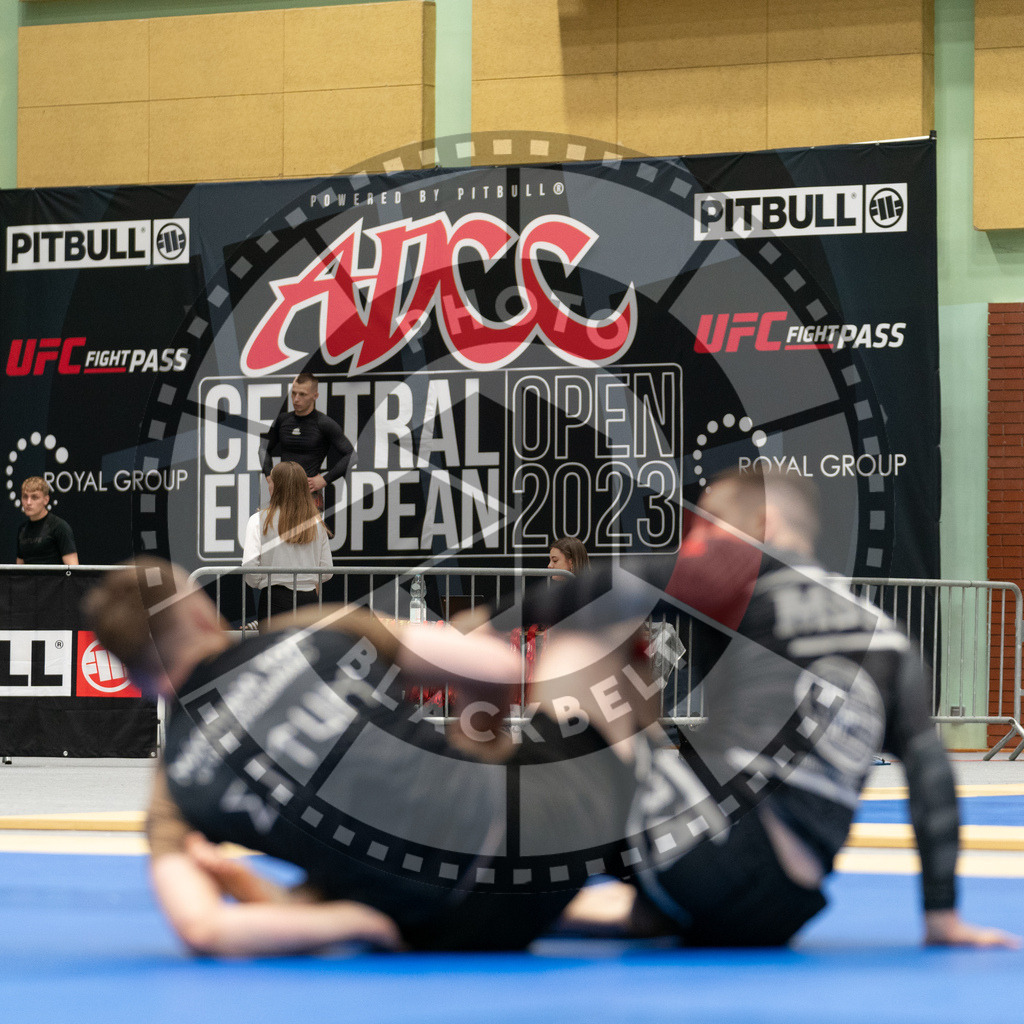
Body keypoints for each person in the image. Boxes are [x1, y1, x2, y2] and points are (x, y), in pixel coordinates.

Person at [82, 557, 653, 957]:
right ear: (205, 615)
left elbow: (203, 927)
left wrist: (349, 922)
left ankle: (592, 899)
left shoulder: (174, 788)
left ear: (132, 677)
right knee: (584, 639)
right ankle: (672, 849)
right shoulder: (310, 629)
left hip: (456, 929)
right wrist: (477, 740)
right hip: (554, 829)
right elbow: (502, 670)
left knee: (348, 857)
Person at [553, 468, 1018, 949]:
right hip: (786, 906)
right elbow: (932, 778)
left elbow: (610, 589)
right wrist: (943, 914)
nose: (698, 544)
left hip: (719, 852)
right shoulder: (891, 639)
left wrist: (490, 623)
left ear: (762, 526)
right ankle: (626, 906)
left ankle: (513, 870)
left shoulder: (752, 582)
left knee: (574, 650)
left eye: (711, 526)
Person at [243, 460, 333, 628]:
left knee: (273, 653)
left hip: (274, 599)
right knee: (306, 653)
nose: (269, 487)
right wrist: (306, 580)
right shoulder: (316, 522)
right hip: (308, 601)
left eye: (271, 483)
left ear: (276, 487)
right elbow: (327, 571)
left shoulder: (258, 520)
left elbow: (250, 569)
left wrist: (267, 580)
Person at [260, 372, 353, 510]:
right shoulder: (283, 420)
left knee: (308, 532)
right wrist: (269, 477)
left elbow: (351, 455)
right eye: (294, 393)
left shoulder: (324, 423)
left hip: (309, 494)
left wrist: (324, 480)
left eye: (302, 394)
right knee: (280, 532)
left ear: (315, 396)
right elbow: (263, 449)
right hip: (283, 492)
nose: (296, 399)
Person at [16, 476, 78, 565]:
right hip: (28, 579)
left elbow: (73, 570)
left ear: (46, 500)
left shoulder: (59, 527)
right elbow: (19, 570)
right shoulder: (22, 529)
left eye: (34, 497)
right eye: (25, 497)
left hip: (54, 579)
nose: (28, 502)